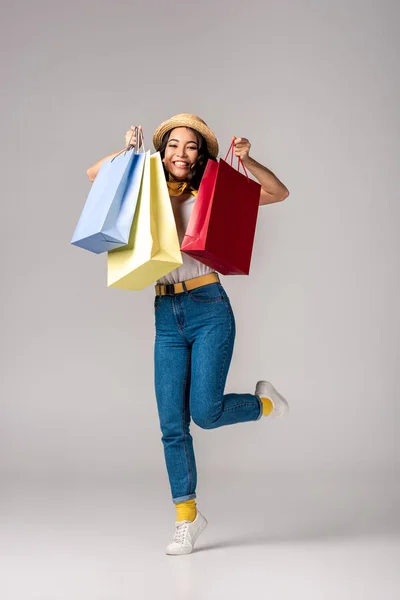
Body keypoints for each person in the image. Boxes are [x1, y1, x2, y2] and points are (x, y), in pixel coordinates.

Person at [87, 113, 290, 556]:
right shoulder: (146, 189)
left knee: (206, 412)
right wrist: (127, 152)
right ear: (163, 151)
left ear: (201, 156)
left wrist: (248, 161)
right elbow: (94, 175)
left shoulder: (215, 193)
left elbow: (278, 192)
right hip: (166, 312)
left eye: (191, 147)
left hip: (209, 307)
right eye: (173, 145)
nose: (181, 153)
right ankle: (187, 517)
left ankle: (266, 403)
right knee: (171, 425)